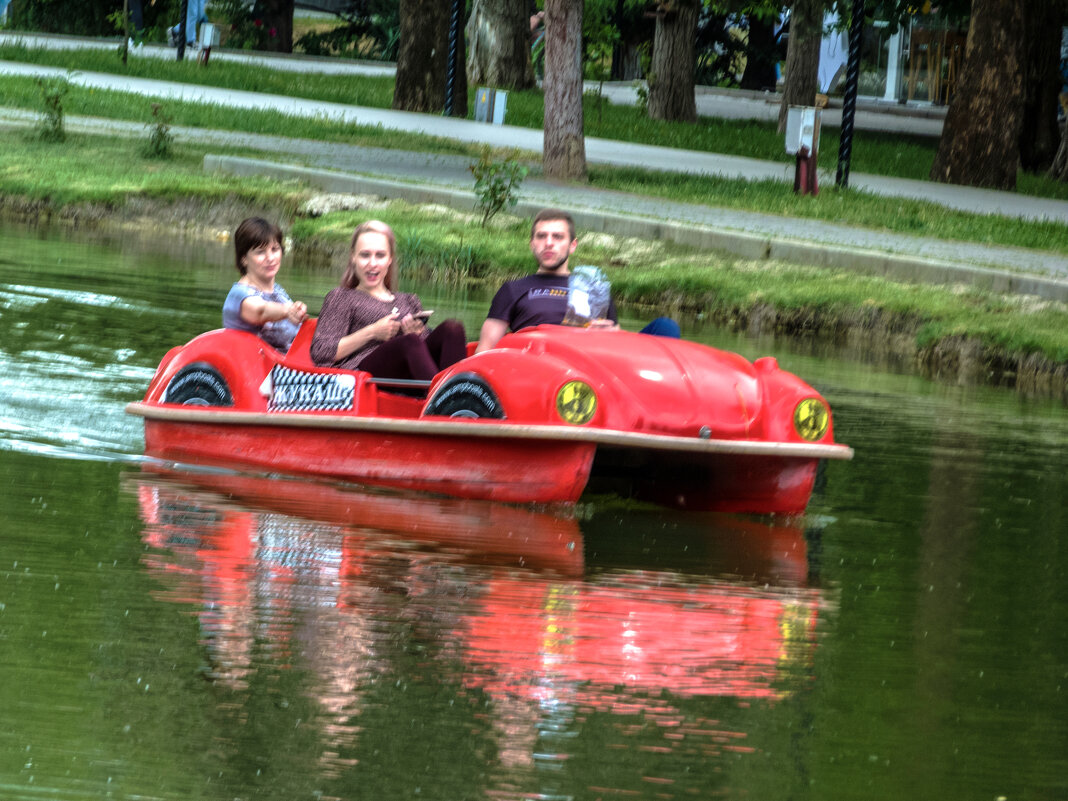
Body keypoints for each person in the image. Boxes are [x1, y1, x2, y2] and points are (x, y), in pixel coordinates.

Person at [476, 208, 679, 353]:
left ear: (572, 246)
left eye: (557, 237)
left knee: (666, 327)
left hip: (595, 356)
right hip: (543, 360)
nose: (548, 243)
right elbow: (485, 349)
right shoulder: (514, 289)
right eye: (541, 236)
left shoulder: (595, 288)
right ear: (532, 244)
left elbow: (614, 335)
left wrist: (614, 333)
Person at [309, 220, 467, 381]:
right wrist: (372, 332)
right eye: (365, 255)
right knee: (409, 342)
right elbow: (321, 353)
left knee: (452, 328)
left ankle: (457, 393)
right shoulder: (342, 297)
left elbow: (426, 352)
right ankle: (445, 399)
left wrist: (417, 334)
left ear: (390, 259)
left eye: (380, 255)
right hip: (365, 374)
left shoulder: (409, 300)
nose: (372, 263)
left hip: (413, 372)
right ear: (353, 257)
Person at [223, 217, 308, 353]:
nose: (270, 258)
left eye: (274, 249)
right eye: (260, 252)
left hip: (290, 364)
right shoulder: (239, 295)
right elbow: (260, 311)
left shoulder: (278, 292)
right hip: (257, 368)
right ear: (244, 259)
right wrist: (288, 310)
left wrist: (299, 312)